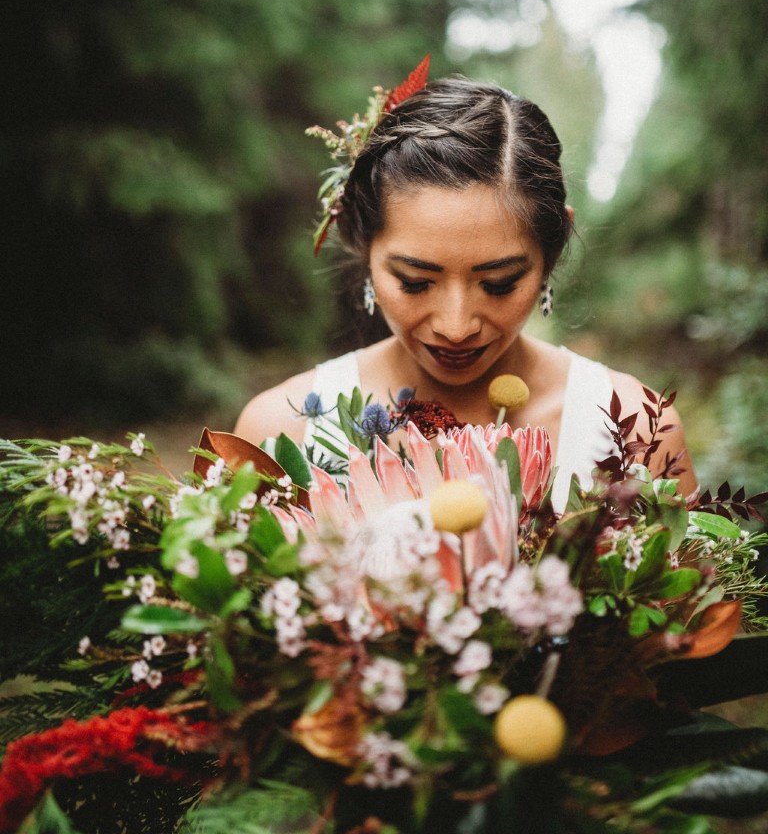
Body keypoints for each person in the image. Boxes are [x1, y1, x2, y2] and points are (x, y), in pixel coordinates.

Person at [235, 63, 696, 509]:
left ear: (550, 254)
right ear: (361, 242)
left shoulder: (640, 432)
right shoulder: (279, 432)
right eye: (415, 282)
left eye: (498, 284)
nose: (456, 328)